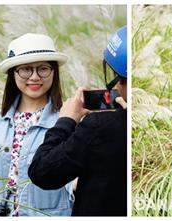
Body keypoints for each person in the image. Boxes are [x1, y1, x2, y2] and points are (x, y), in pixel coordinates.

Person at [28, 26, 128, 216]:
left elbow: (42, 172)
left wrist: (66, 120)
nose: (35, 76)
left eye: (43, 69)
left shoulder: (97, 127)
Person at [0, 33, 73, 216]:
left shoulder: (66, 120)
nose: (35, 77)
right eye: (26, 69)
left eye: (43, 69)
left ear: (54, 72)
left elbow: (73, 185)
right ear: (13, 74)